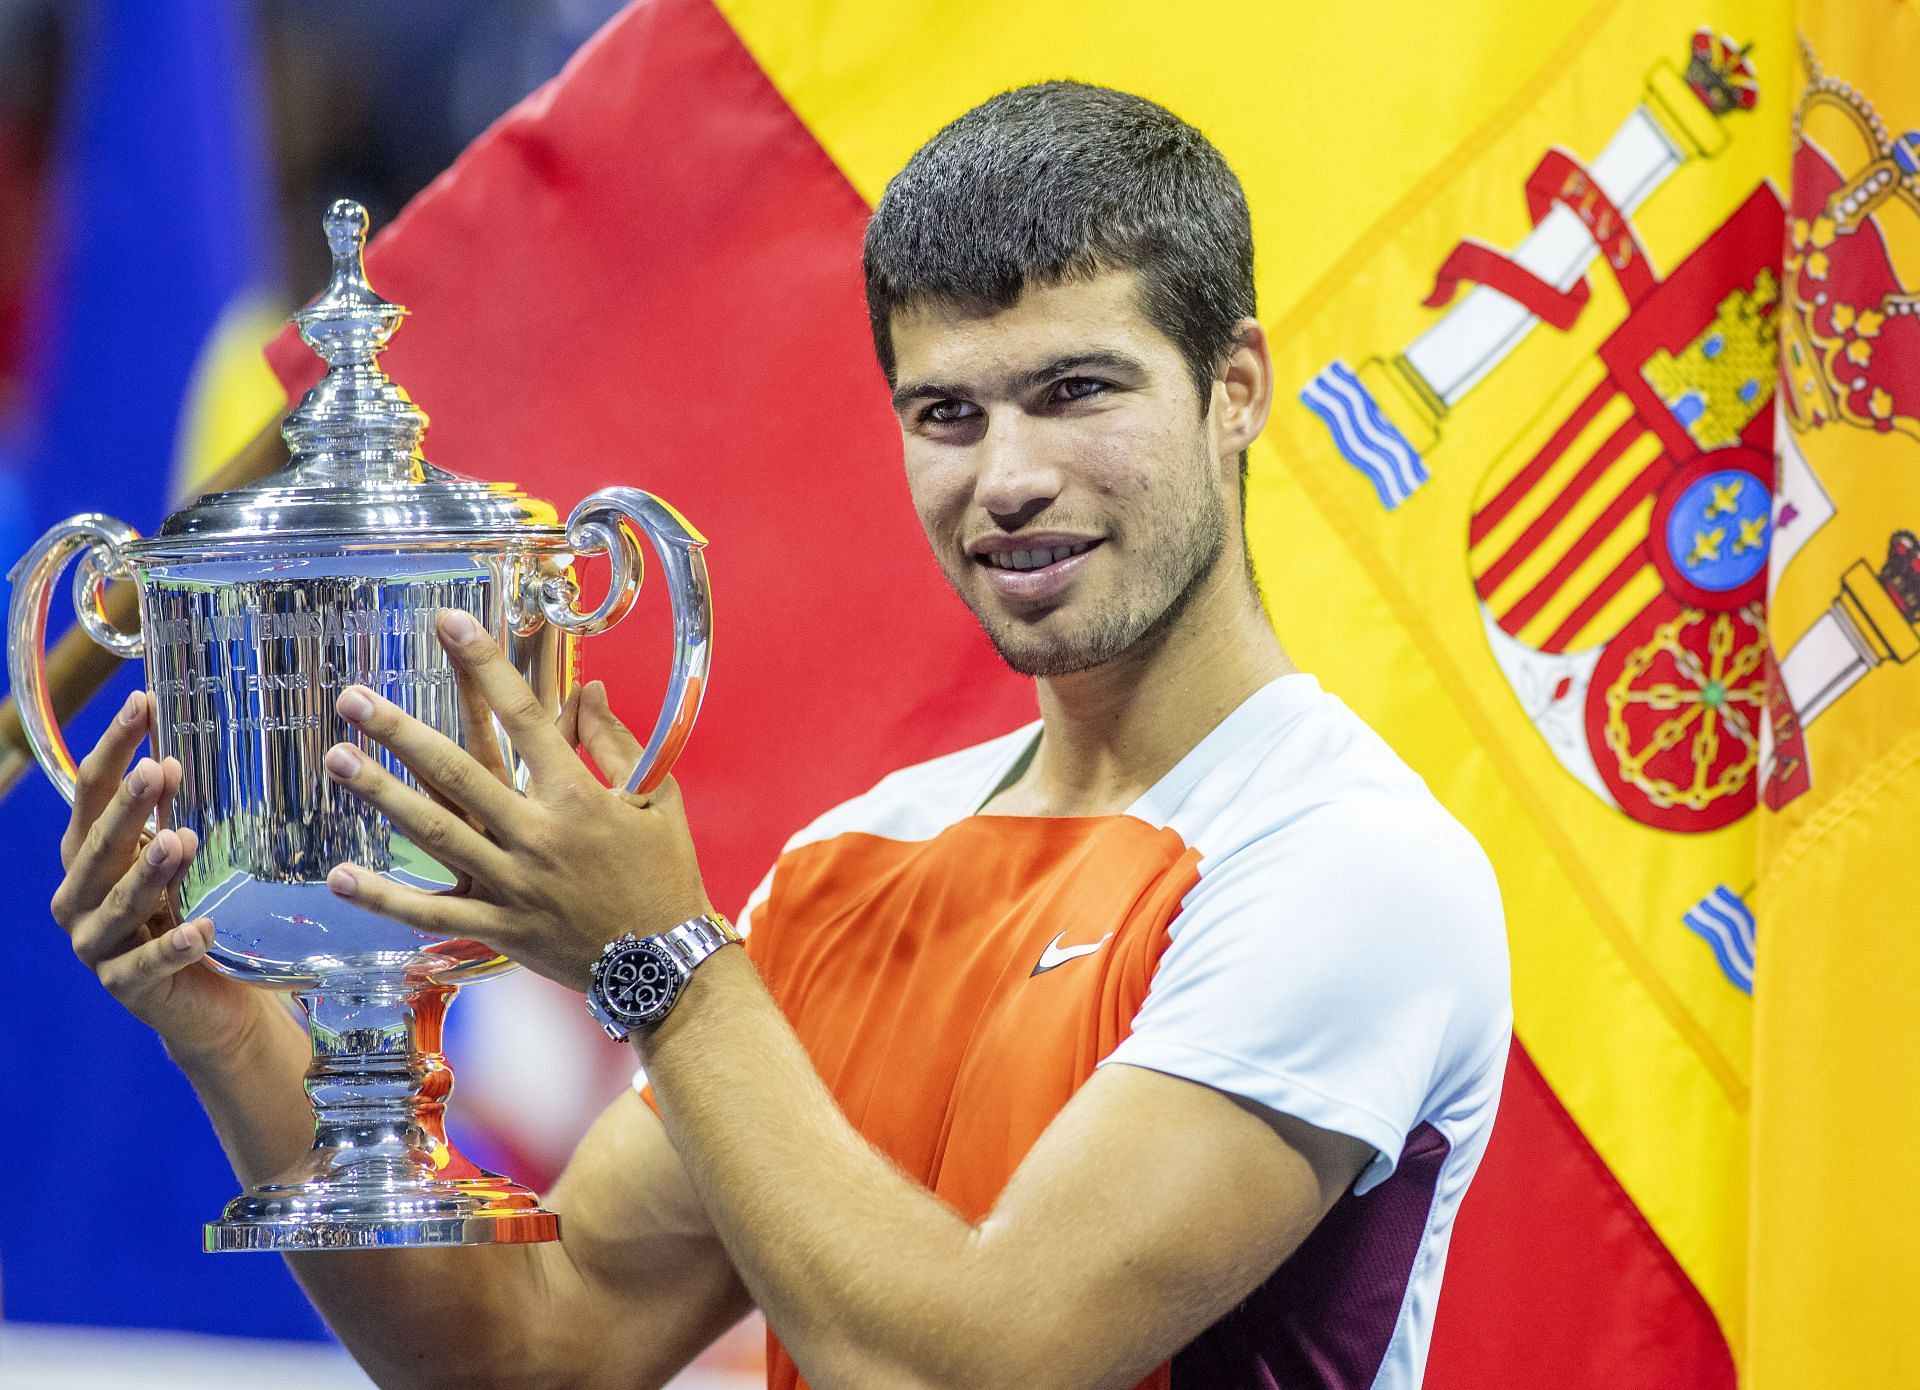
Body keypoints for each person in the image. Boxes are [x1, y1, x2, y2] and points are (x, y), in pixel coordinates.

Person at [49, 82, 1509, 1389]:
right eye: (946, 412)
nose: (1007, 475)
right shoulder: (846, 866)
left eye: (1075, 390)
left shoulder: (1349, 866)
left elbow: (976, 1369)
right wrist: (231, 1029)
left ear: (1235, 387)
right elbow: (532, 1349)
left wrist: (664, 965)